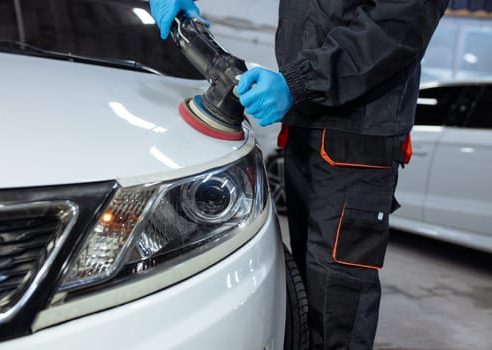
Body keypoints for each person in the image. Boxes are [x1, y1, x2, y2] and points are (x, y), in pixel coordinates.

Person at [150, 0, 448, 349]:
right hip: (306, 121)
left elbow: (395, 26)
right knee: (306, 294)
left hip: (354, 142)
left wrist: (298, 83)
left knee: (337, 299)